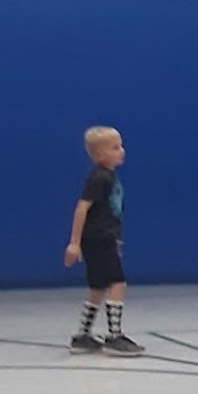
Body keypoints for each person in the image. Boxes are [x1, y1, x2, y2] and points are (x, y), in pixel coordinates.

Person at [63, 126, 144, 357]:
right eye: (115, 147)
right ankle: (114, 336)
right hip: (97, 238)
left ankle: (82, 336)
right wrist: (74, 242)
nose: (122, 151)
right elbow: (82, 207)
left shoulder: (109, 177)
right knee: (118, 282)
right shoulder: (99, 178)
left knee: (98, 287)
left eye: (121, 145)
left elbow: (110, 212)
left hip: (104, 238)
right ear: (99, 155)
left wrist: (116, 240)